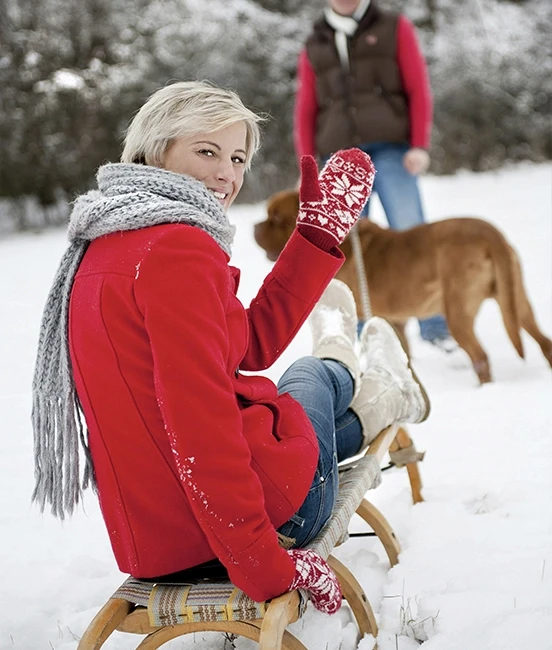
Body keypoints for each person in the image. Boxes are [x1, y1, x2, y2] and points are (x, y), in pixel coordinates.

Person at [31, 80, 430, 616]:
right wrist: (268, 565)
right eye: (207, 151)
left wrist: (313, 236)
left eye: (238, 158)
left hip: (159, 543)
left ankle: (364, 374)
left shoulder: (104, 243)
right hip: (267, 522)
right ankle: (374, 382)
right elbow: (201, 427)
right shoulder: (177, 249)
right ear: (155, 149)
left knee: (299, 388)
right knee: (309, 376)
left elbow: (249, 344)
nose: (228, 174)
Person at [294, 0, 456, 351]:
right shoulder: (315, 41)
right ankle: (362, 331)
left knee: (412, 232)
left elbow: (417, 87)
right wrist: (308, 166)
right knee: (349, 247)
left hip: (392, 149)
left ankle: (435, 326)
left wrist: (419, 144)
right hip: (339, 157)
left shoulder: (393, 26)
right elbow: (307, 107)